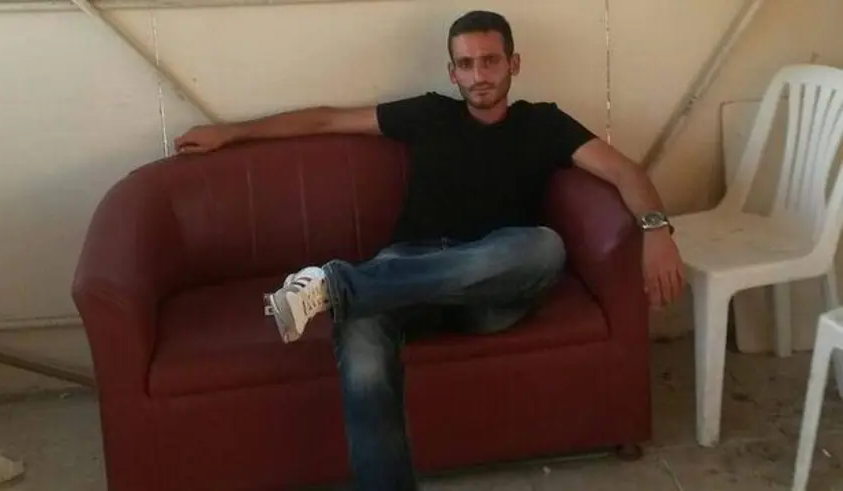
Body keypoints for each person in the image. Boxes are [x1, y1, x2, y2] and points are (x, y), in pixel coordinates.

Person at [174, 10, 685, 490]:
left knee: (544, 246)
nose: (479, 75)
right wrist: (232, 134)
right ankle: (348, 298)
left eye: (490, 61)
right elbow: (327, 120)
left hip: (492, 289)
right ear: (452, 72)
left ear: (513, 64)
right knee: (360, 331)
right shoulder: (428, 114)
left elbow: (624, 171)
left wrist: (656, 230)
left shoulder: (544, 123)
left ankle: (337, 285)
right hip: (408, 274)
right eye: (466, 64)